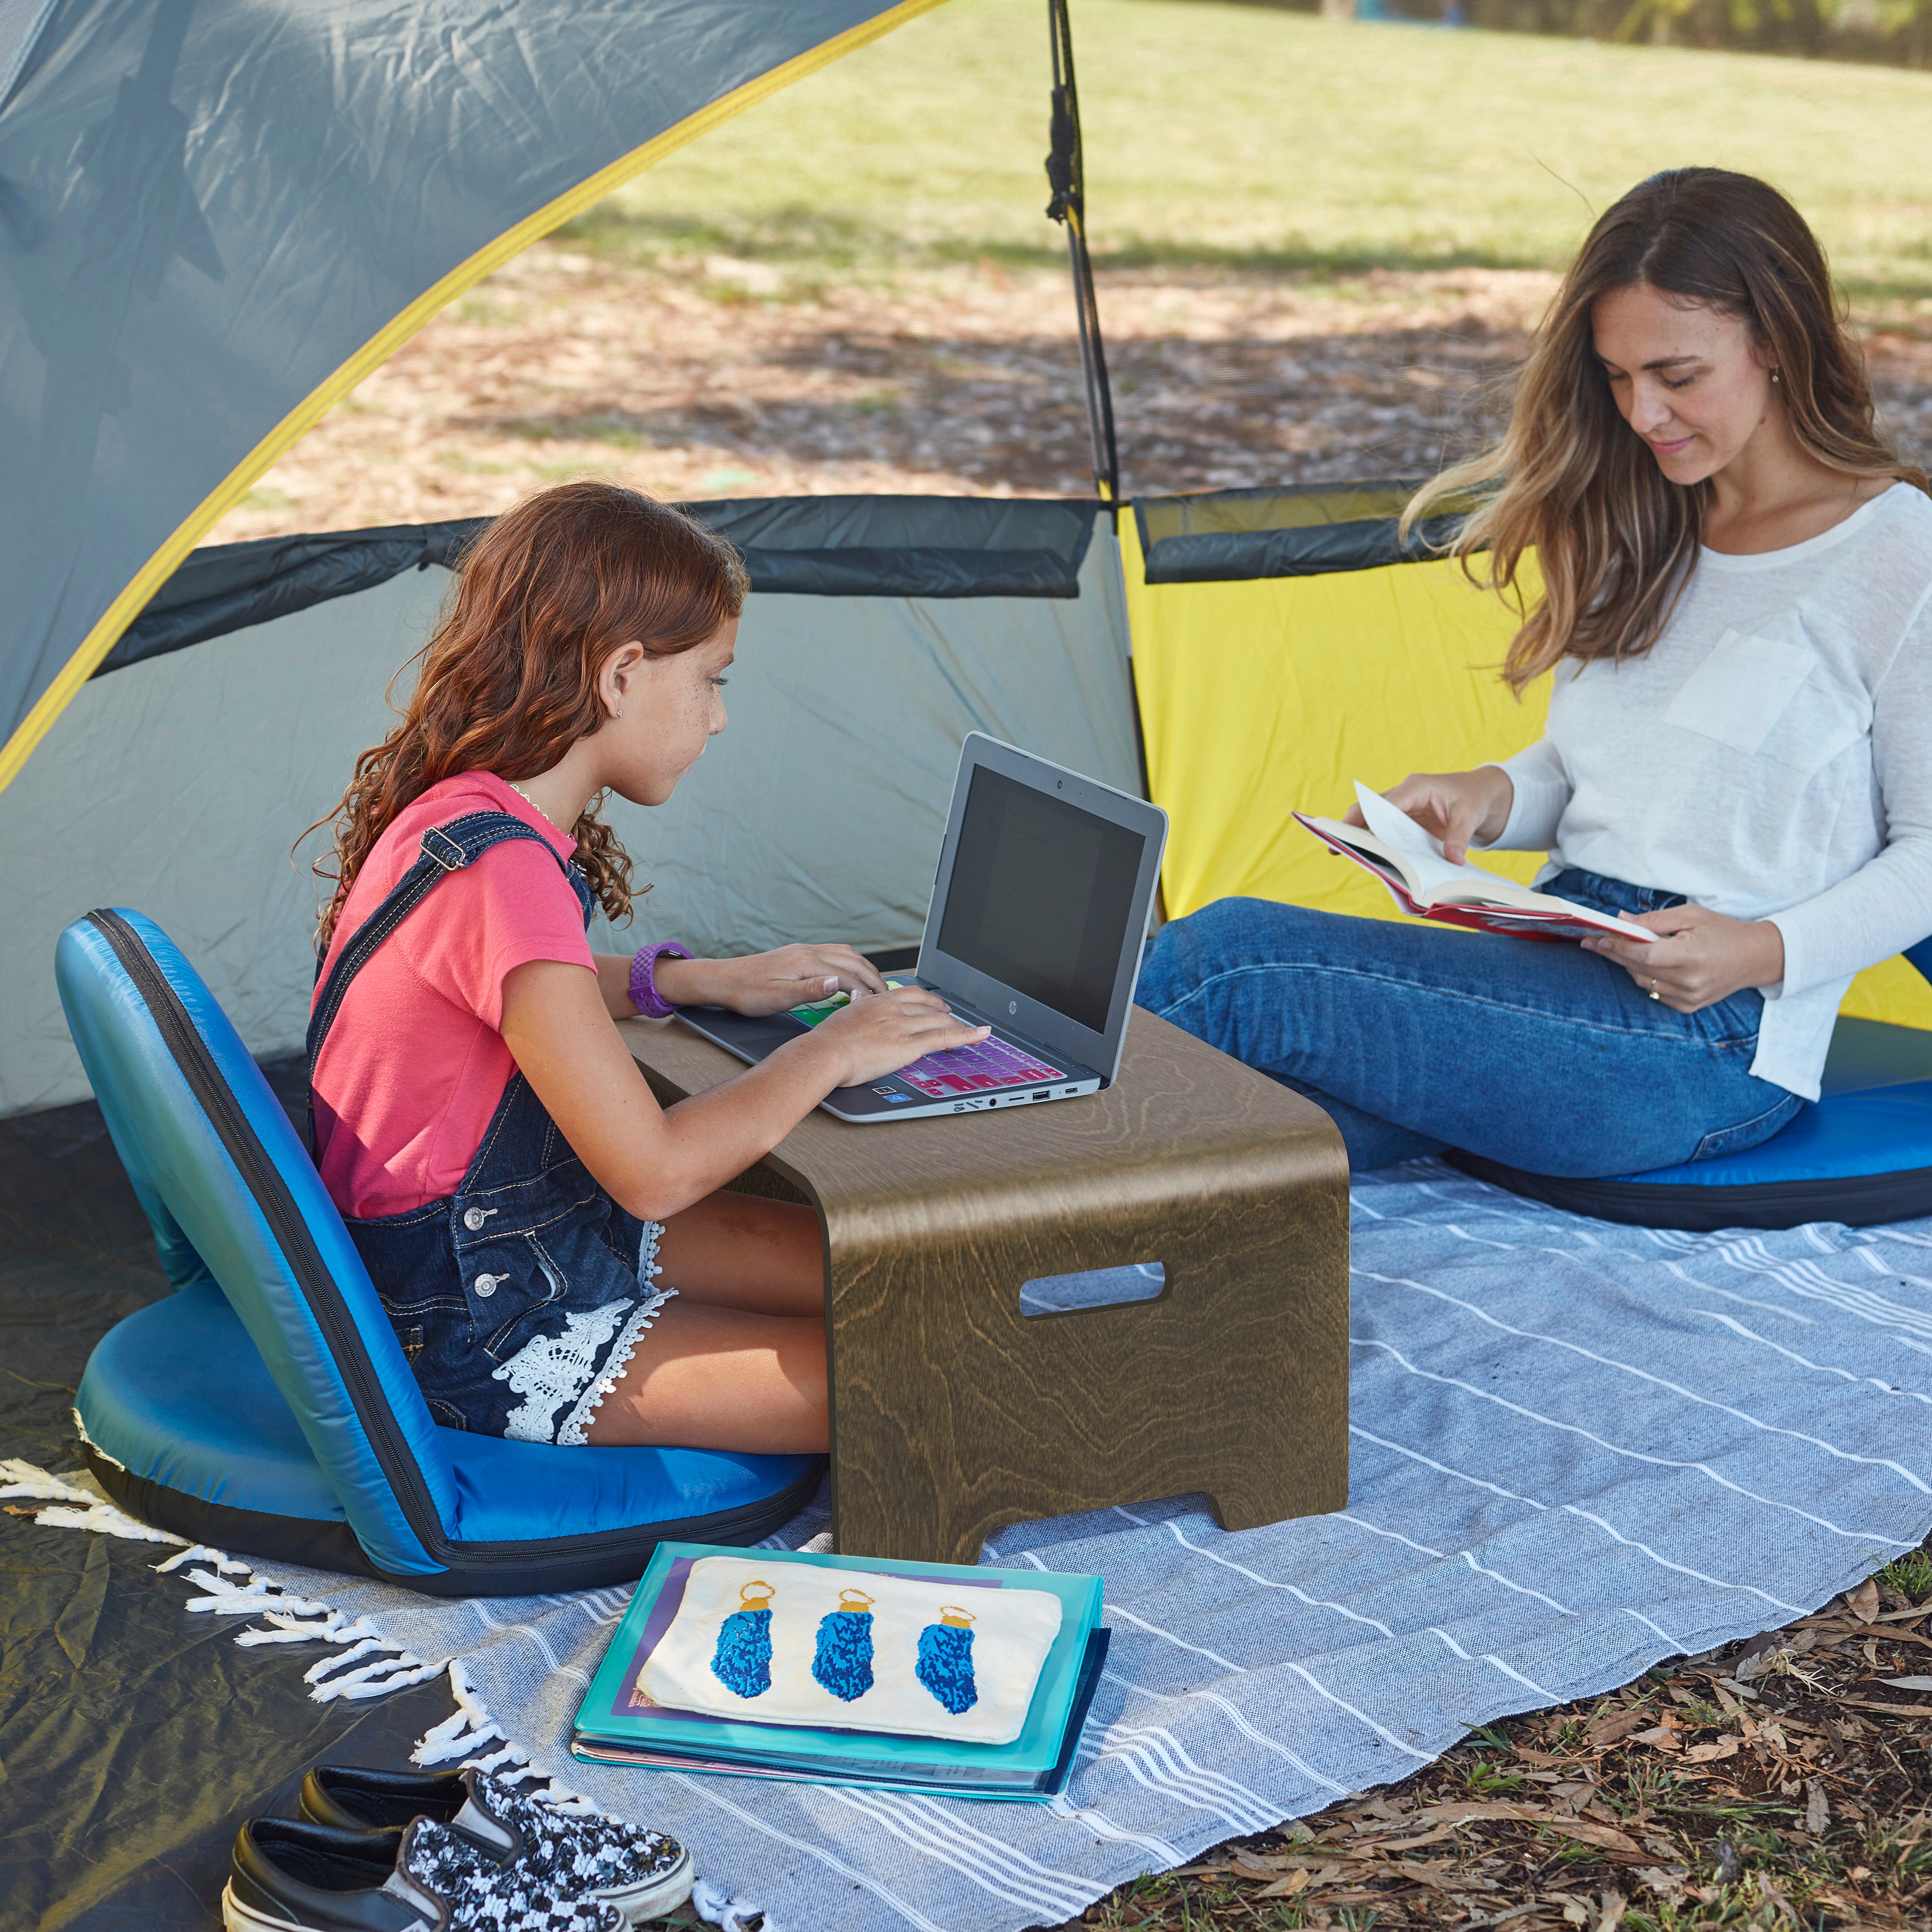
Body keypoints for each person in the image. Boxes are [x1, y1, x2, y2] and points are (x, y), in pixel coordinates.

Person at [1137, 168, 1932, 1178]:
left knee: (1233, 965)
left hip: (1707, 1038)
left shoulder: (1895, 552)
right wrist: (1491, 794)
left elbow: (1926, 851)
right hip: (1559, 963)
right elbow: (1615, 765)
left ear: (1774, 343)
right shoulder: (1653, 517)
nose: (1642, 412)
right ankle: (955, 1200)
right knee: (1245, 1119)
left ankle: (958, 1129)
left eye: (1676, 375)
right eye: (1615, 376)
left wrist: (1754, 949)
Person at [304, 481, 989, 1454]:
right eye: (713, 679)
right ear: (621, 671)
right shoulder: (506, 874)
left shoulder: (462, 814)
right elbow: (655, 1174)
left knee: (911, 1268)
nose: (718, 719)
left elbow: (517, 986)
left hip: (513, 1240)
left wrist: (686, 981)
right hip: (476, 1313)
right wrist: (832, 1050)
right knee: (919, 1358)